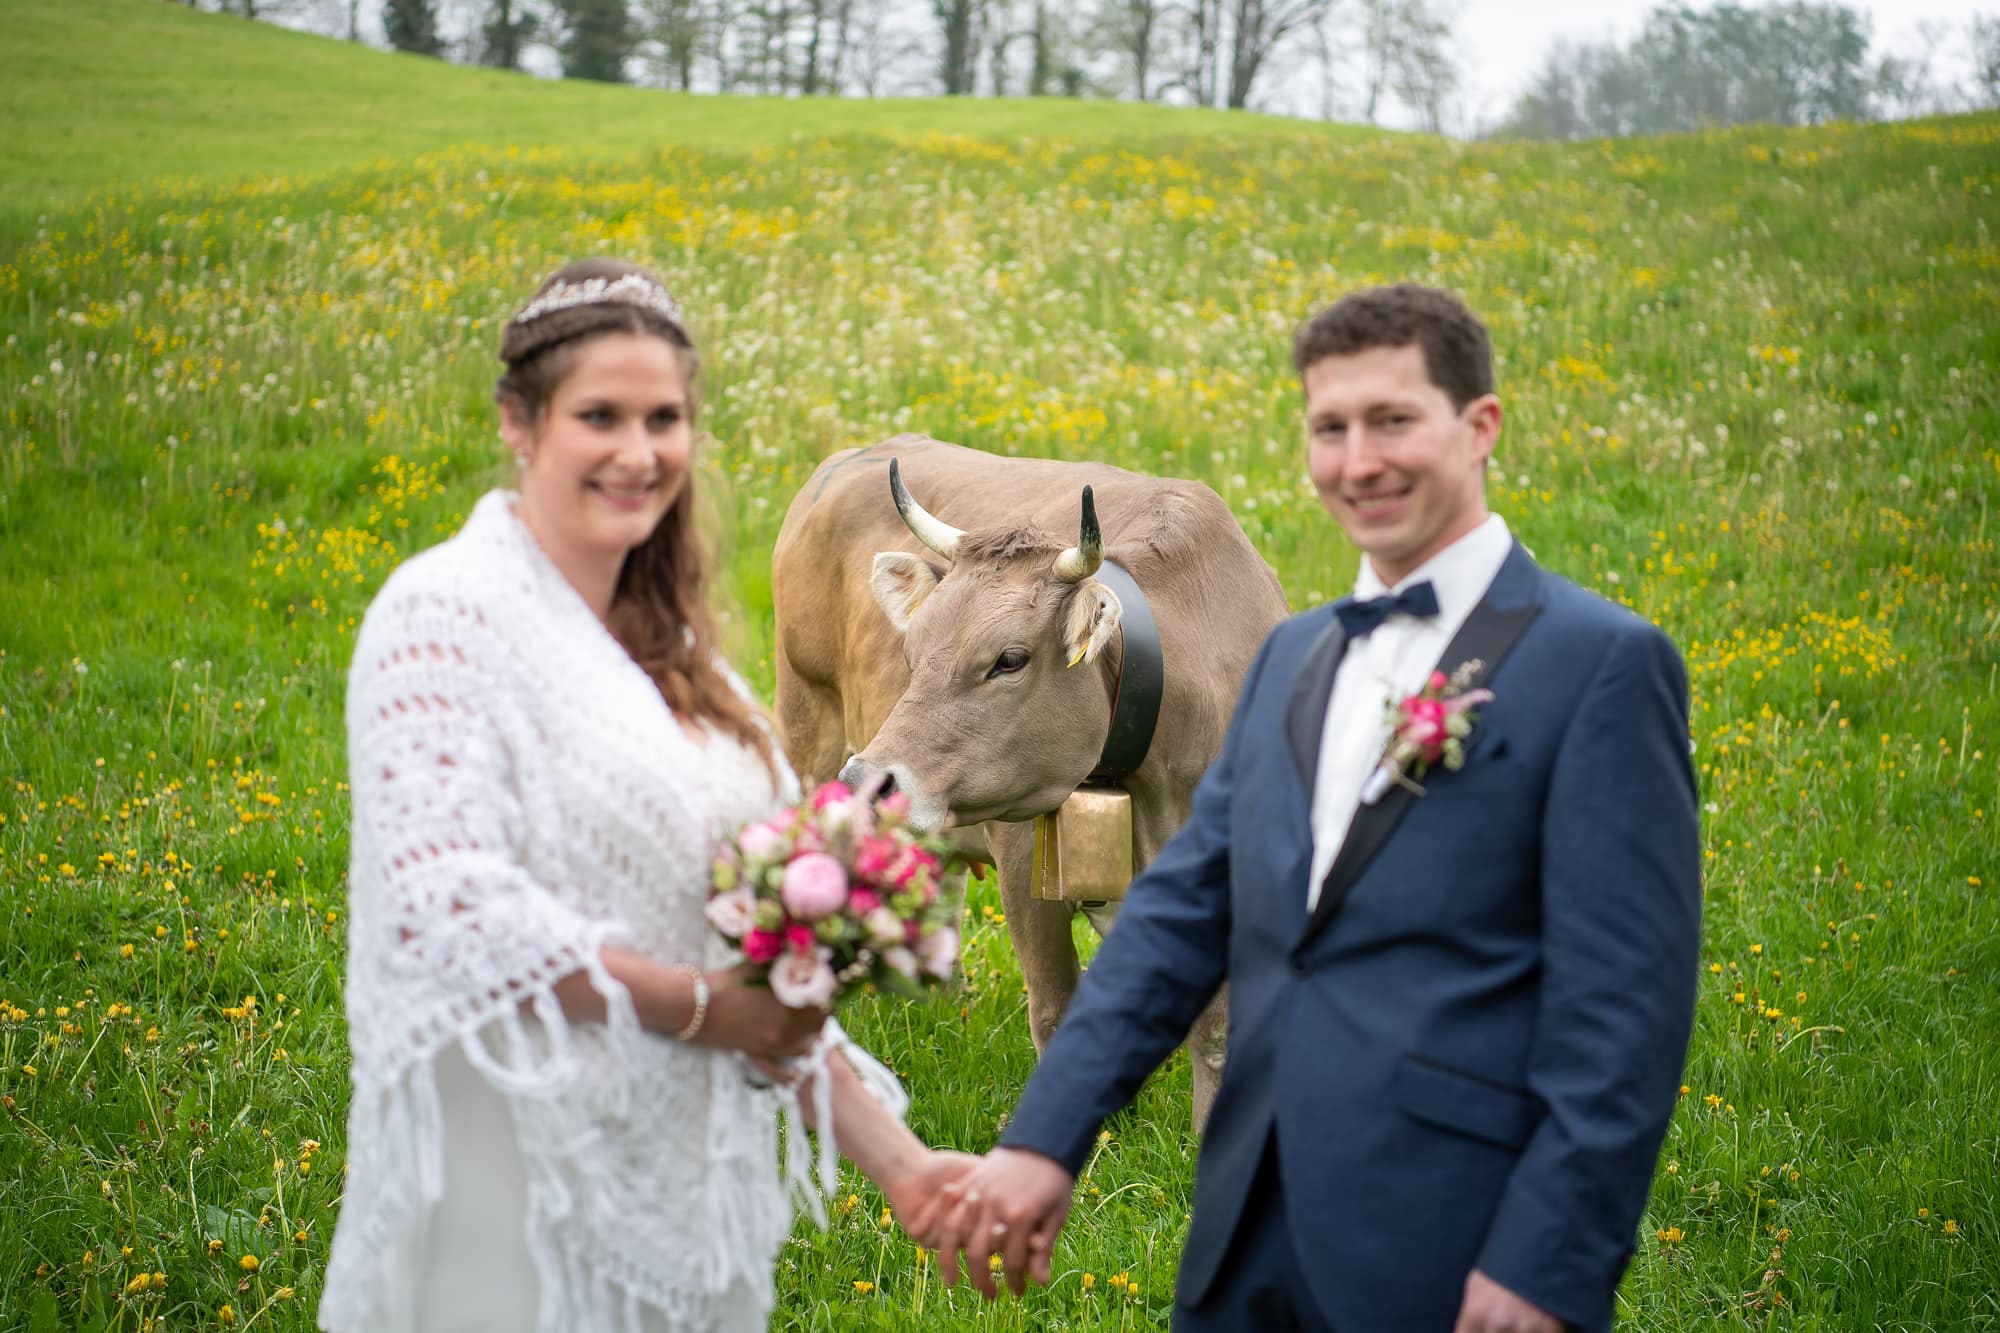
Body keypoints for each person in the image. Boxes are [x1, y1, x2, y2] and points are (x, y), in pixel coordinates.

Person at [917, 284, 1702, 1333]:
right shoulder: (1296, 652)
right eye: (1329, 428)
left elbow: (1624, 1002)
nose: (1356, 458)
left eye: (1391, 421)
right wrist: (1040, 1137)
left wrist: (1545, 1262)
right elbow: (1186, 911)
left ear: (1480, 429)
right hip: (1244, 1237)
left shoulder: (1600, 664)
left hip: (1458, 1248)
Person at [319, 258, 970, 1333]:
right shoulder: (440, 615)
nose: (638, 450)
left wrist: (902, 1167)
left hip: (683, 1200)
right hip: (510, 1196)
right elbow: (450, 908)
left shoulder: (691, 668)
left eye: (663, 417)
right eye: (600, 416)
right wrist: (706, 1010)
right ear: (518, 423)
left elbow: (756, 958)